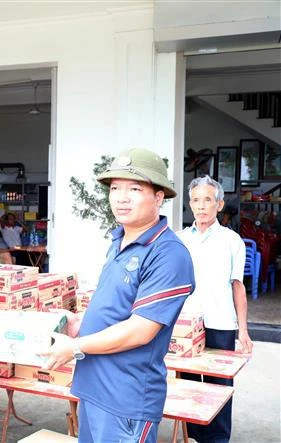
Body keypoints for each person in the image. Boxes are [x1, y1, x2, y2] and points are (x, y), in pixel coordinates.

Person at [40, 148, 195, 442]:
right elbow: (117, 305)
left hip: (126, 398)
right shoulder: (119, 241)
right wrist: (79, 322)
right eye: (115, 188)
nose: (121, 197)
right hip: (94, 388)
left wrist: (74, 347)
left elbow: (140, 331)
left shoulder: (168, 254)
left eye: (134, 189)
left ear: (159, 197)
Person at [176, 175, 253, 443]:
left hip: (221, 323)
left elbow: (237, 287)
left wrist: (243, 331)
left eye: (207, 200)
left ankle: (217, 439)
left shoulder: (232, 241)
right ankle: (192, 436)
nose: (201, 206)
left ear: (219, 205)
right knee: (188, 384)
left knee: (219, 386)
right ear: (189, 204)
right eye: (195, 200)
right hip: (187, 325)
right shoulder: (179, 239)